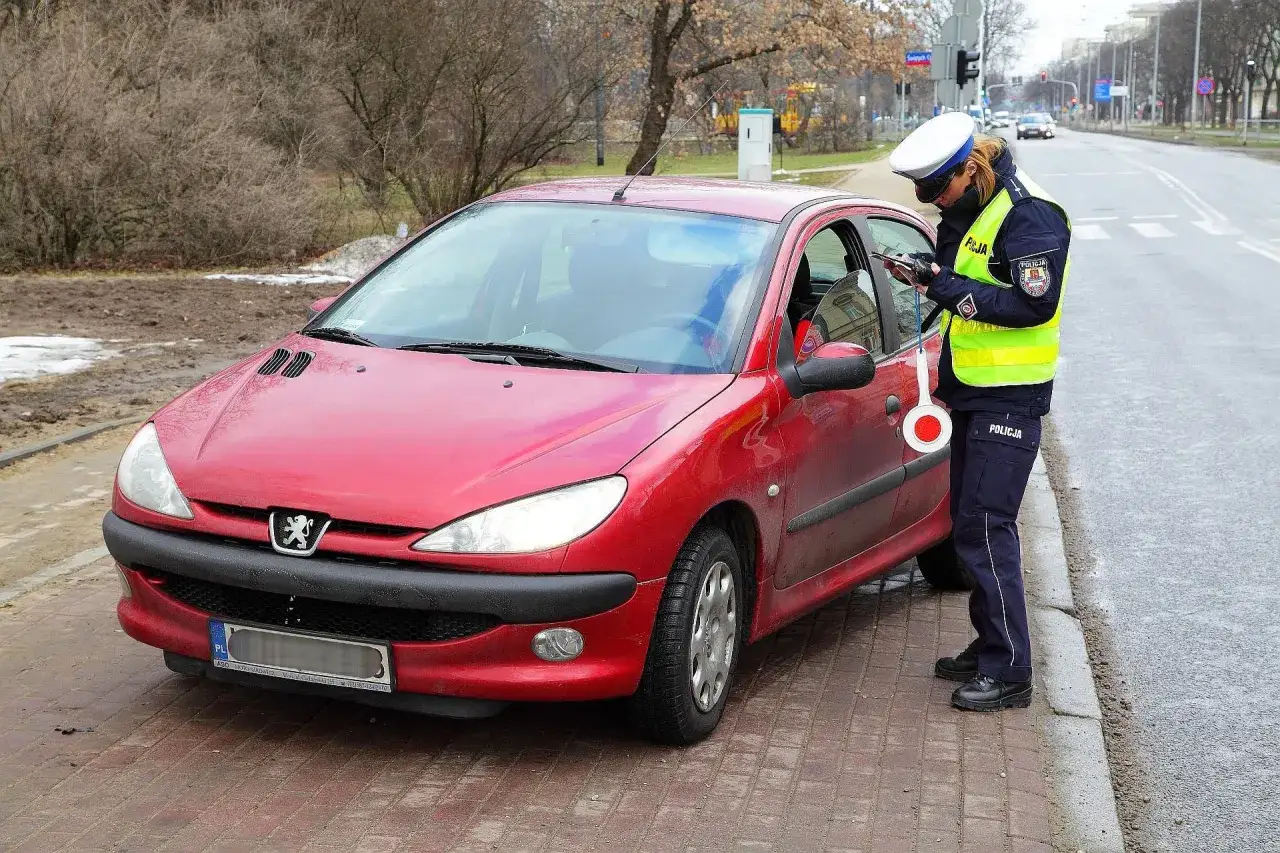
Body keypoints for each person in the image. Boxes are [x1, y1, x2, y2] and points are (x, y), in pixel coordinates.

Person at [885, 112, 1071, 712]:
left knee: (987, 527)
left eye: (937, 189)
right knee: (968, 522)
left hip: (1011, 394)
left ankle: (1010, 670)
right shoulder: (970, 206)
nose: (932, 200)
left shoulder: (1030, 214)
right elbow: (960, 274)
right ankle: (989, 641)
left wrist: (941, 285)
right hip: (972, 386)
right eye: (922, 193)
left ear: (974, 168)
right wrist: (926, 274)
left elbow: (1030, 306)